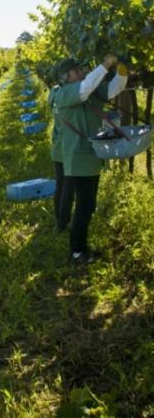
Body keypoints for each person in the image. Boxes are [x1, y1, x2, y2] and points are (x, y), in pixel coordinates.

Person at [54, 54, 128, 264]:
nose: (81, 72)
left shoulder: (88, 91)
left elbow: (113, 89)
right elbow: (85, 88)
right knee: (85, 204)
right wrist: (106, 63)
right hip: (78, 157)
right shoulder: (65, 93)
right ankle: (77, 251)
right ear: (65, 76)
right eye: (76, 70)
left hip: (92, 155)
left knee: (88, 204)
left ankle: (81, 247)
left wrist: (121, 71)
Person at [48, 74, 74, 232]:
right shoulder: (68, 96)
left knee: (61, 184)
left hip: (58, 146)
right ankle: (63, 222)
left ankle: (59, 219)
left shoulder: (54, 93)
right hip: (68, 147)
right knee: (68, 187)